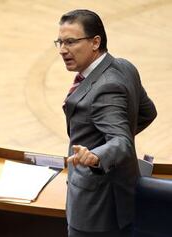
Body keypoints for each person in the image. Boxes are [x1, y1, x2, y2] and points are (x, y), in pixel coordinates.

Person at [55, 9, 157, 236]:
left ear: (95, 42)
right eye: (60, 42)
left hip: (95, 211)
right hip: (121, 197)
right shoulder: (124, 66)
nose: (63, 50)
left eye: (70, 42)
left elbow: (121, 141)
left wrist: (97, 155)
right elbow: (147, 112)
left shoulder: (104, 88)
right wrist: (107, 143)